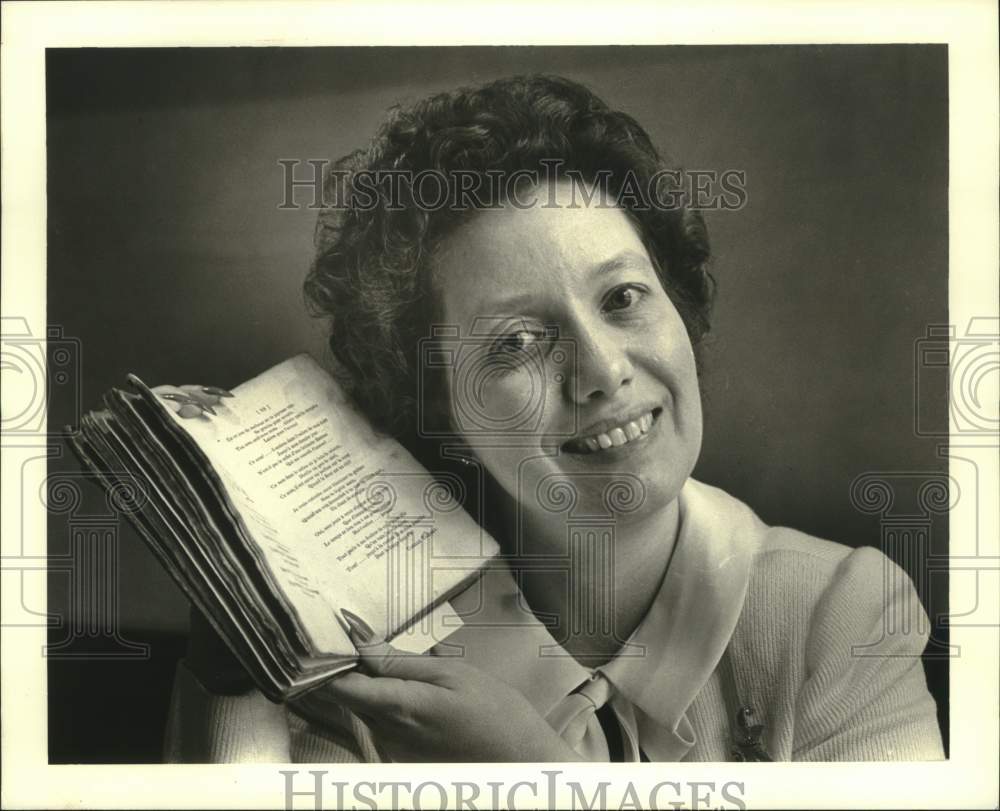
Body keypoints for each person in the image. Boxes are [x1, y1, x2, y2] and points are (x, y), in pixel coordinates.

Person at [157, 74, 944, 762]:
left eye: (623, 298)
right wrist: (233, 683)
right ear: (439, 404)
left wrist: (533, 778)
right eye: (519, 342)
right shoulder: (376, 636)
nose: (603, 370)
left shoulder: (843, 610)